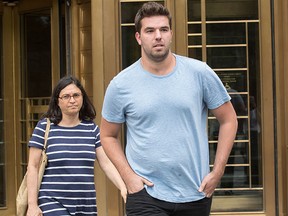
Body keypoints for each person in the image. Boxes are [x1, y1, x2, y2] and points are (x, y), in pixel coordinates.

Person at [100, 2, 238, 216]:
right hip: (145, 194)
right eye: (150, 30)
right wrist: (128, 177)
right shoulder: (121, 85)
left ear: (171, 34)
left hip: (195, 191)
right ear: (138, 37)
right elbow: (108, 136)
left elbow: (228, 119)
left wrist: (218, 171)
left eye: (163, 29)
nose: (158, 36)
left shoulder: (199, 73)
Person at [26, 75, 127, 216]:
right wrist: (32, 205)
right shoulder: (44, 127)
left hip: (86, 204)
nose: (72, 100)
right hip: (51, 201)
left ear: (82, 98)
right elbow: (33, 166)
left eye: (76, 95)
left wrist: (123, 187)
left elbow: (106, 163)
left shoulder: (91, 129)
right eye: (66, 96)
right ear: (57, 101)